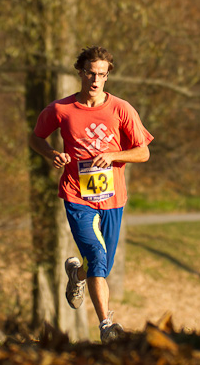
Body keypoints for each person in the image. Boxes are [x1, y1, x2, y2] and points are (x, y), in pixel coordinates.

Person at [29, 46, 153, 344]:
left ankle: (77, 275)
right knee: (98, 257)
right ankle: (107, 325)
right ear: (80, 72)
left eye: (102, 74)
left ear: (107, 75)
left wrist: (113, 155)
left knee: (102, 266)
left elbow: (143, 151)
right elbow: (35, 138)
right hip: (76, 195)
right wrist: (51, 154)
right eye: (90, 73)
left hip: (113, 198)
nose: (95, 80)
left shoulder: (122, 109)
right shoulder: (61, 109)